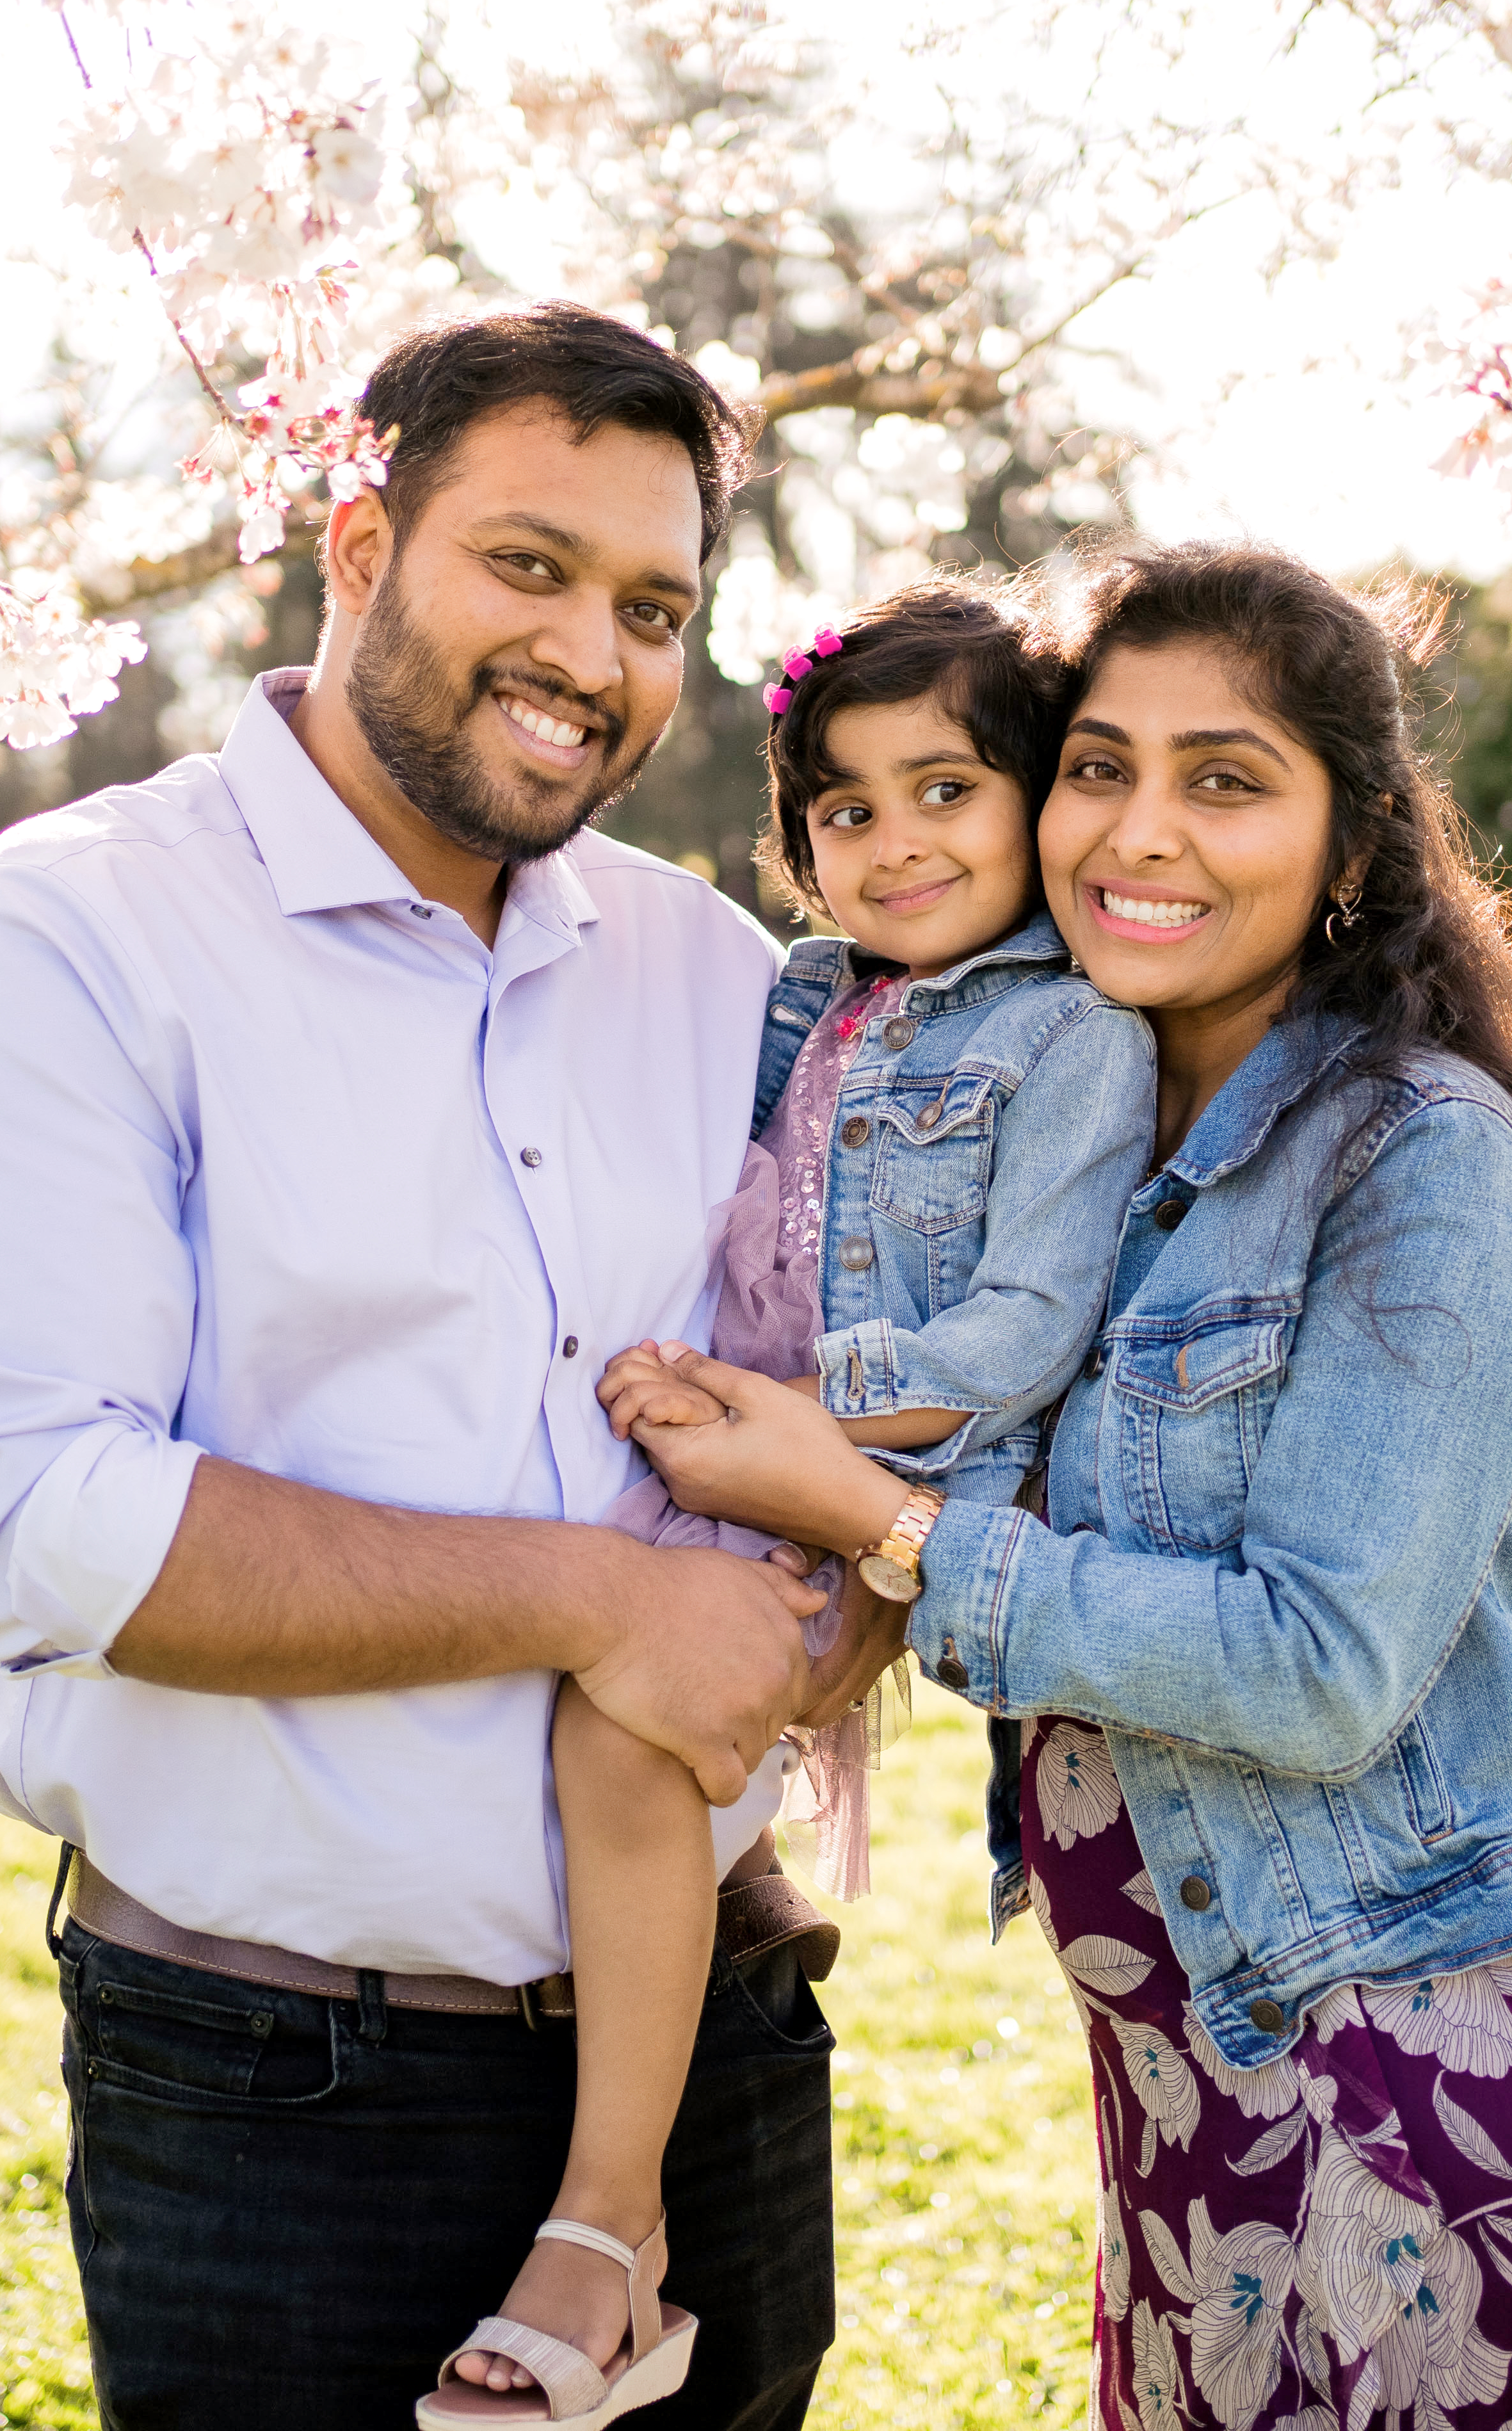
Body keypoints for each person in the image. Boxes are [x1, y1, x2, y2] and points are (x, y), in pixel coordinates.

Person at [0, 301, 883, 2430]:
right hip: (278, 2092)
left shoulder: (725, 977)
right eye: (530, 566)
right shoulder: (74, 933)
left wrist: (829, 1615)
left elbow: (854, 1402)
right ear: (354, 547)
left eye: (655, 606)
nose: (594, 660)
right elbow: (36, 1516)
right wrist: (606, 1600)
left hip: (718, 2042)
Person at [611, 541, 1512, 2428]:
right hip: (1191, 2048)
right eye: (1100, 766)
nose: (1139, 834)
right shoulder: (1088, 1125)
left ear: (1353, 847)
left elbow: (1318, 1667)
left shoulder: (1411, 1153)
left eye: (1228, 779)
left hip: (1415, 2045)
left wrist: (877, 1518)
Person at [431, 582, 1150, 2424]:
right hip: (750, 1449)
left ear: (1035, 805)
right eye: (845, 811)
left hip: (886, 1479)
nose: (895, 844)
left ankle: (606, 2221)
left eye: (946, 793)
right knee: (611, 1728)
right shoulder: (809, 990)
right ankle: (621, 2218)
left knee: (633, 1729)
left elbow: (1022, 1331)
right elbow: (734, 1195)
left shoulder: (1073, 1032)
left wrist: (781, 1414)